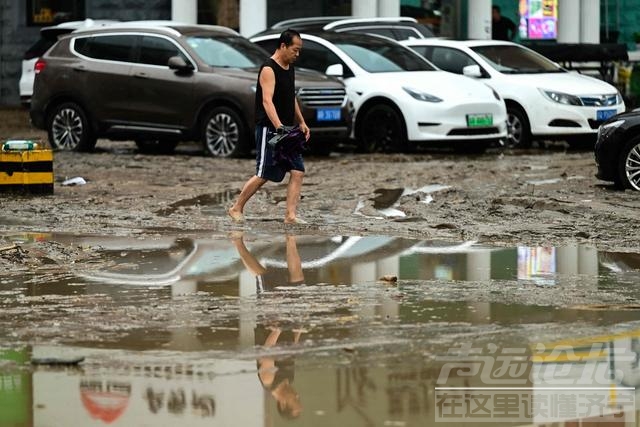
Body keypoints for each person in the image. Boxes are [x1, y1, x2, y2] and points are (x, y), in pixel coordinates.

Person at [228, 29, 311, 225]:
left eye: (299, 51)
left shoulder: (289, 67)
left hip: (286, 130)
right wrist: (279, 127)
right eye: (295, 50)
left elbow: (291, 98)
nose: (297, 54)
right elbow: (267, 101)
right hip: (270, 130)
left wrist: (301, 122)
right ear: (283, 46)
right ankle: (236, 208)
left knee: (298, 171)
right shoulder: (268, 69)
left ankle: (290, 216)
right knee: (264, 173)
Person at [230, 232, 305, 419]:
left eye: (295, 400)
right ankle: (291, 237)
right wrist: (298, 329)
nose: (297, 394)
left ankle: (237, 242)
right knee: (297, 281)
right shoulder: (290, 380)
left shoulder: (268, 380)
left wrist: (277, 329)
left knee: (262, 277)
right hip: (288, 324)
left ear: (284, 403)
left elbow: (266, 352)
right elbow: (291, 352)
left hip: (270, 323)